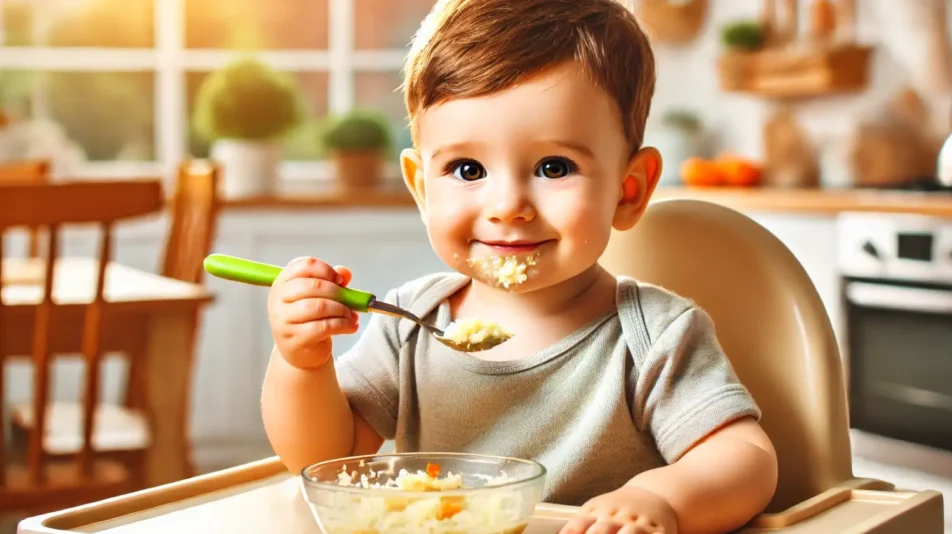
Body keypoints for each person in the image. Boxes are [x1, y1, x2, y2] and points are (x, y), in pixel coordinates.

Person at [262, 0, 778, 532]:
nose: (507, 204)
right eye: (467, 168)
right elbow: (326, 459)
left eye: (555, 167)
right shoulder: (412, 324)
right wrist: (301, 363)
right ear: (422, 188)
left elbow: (744, 459)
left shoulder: (653, 336)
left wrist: (662, 499)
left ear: (628, 191)